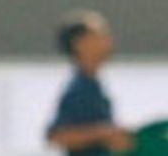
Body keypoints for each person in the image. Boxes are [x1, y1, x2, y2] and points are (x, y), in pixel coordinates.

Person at [47, 9, 134, 156]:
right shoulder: (80, 88)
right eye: (98, 36)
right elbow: (57, 136)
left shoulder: (93, 85)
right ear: (79, 44)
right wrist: (105, 133)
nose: (107, 41)